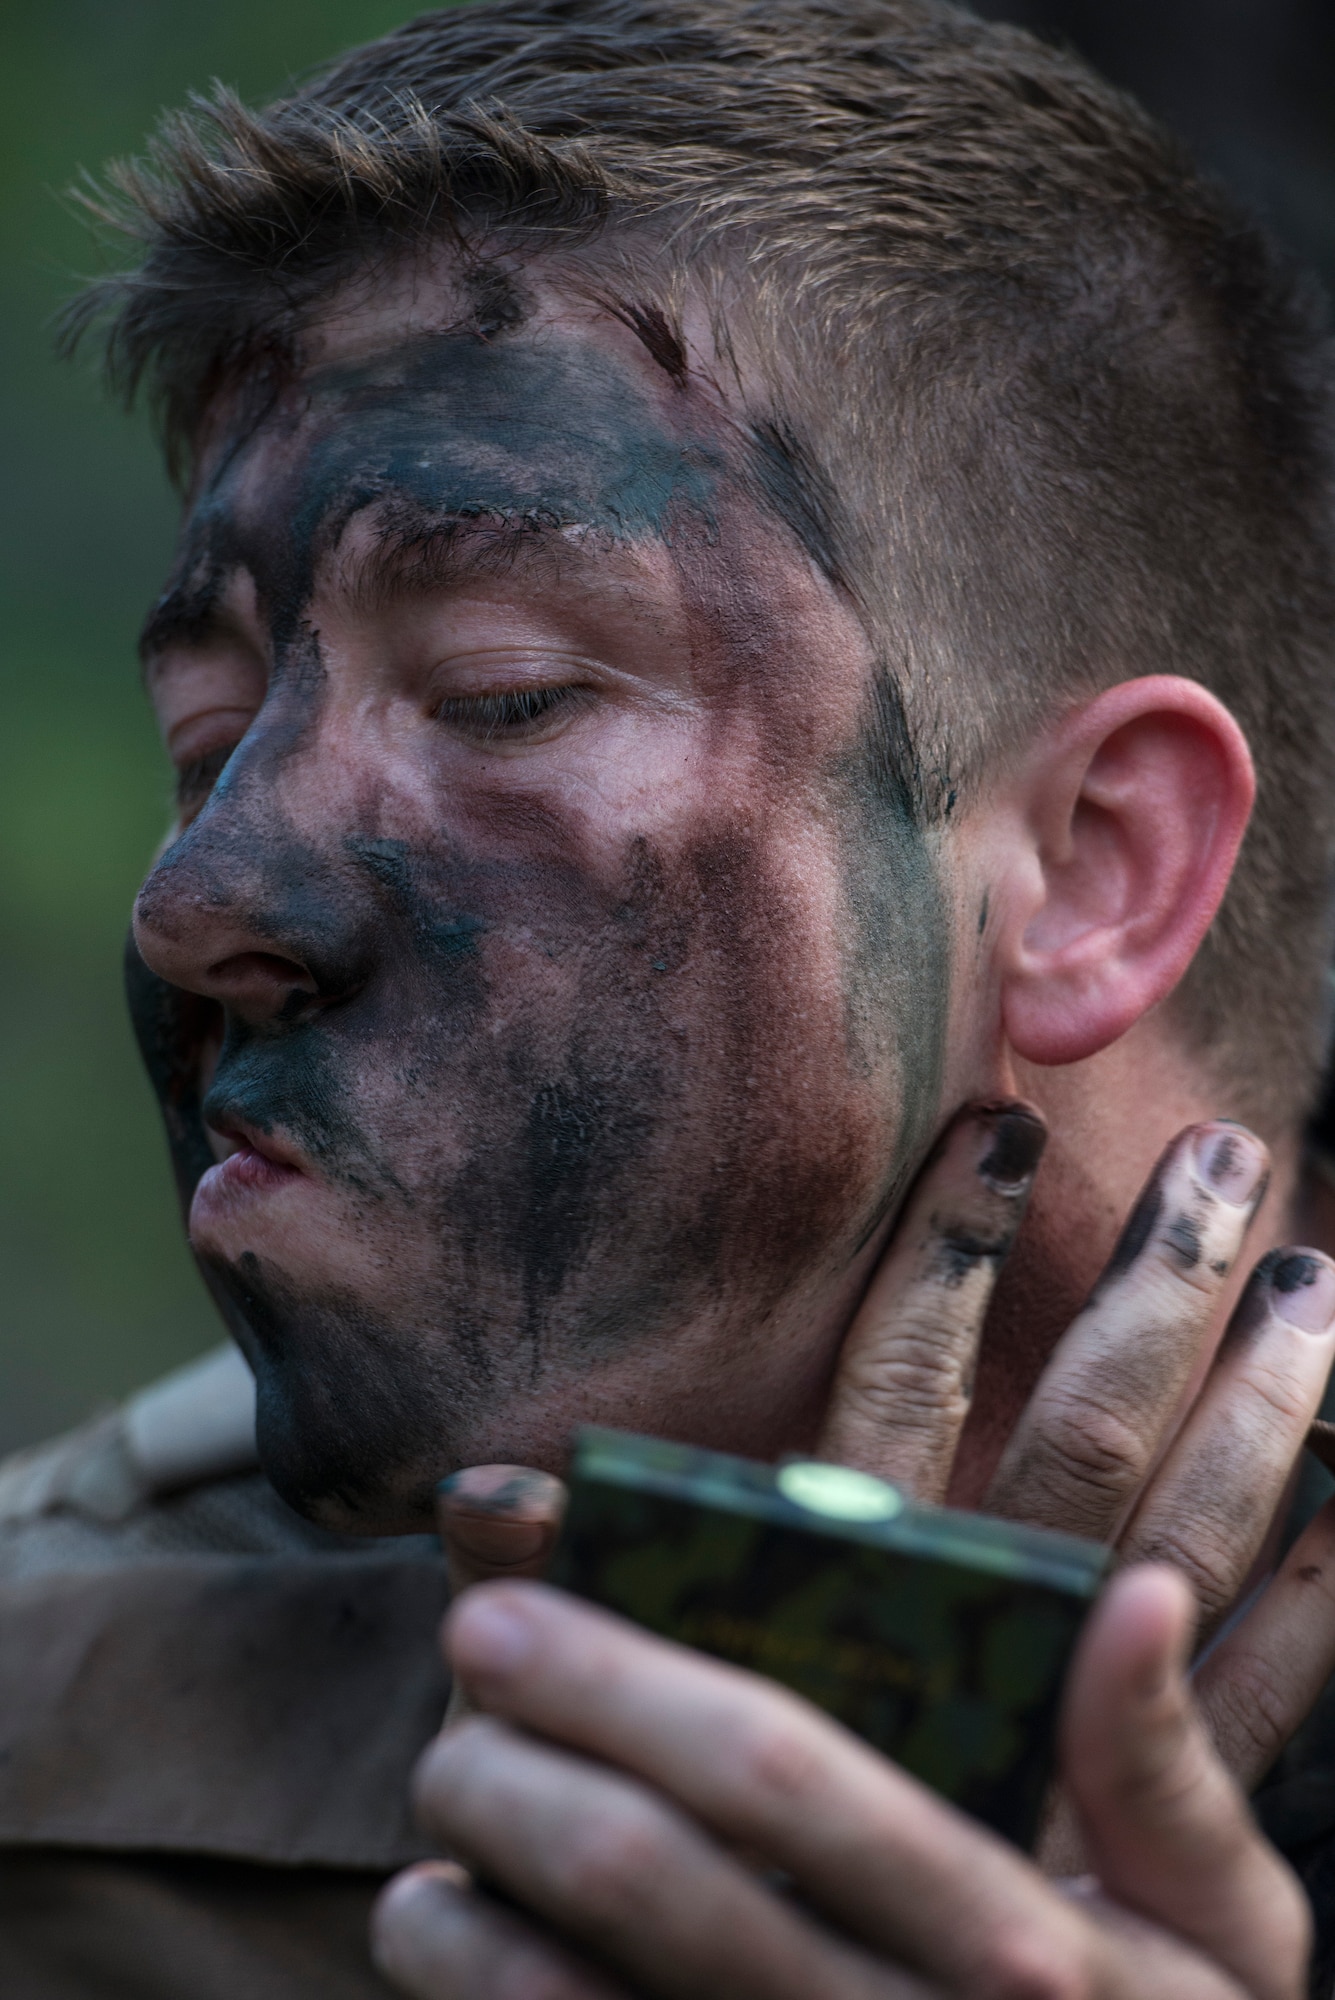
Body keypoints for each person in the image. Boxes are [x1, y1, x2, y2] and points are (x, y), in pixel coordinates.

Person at [3, 0, 1335, 1993]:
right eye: (209, 740)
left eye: (500, 696)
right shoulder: (54, 1725)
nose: (200, 902)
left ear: (1089, 867)